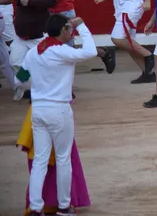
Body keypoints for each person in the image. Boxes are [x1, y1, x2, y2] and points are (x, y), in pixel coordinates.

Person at [15, 14, 97, 215]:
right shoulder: (62, 52)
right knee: (63, 159)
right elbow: (91, 50)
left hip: (38, 109)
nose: (72, 31)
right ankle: (63, 206)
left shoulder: (34, 52)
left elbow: (19, 80)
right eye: (69, 28)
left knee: (40, 161)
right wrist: (83, 25)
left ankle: (35, 208)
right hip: (59, 109)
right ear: (62, 31)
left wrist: (38, 86)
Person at [8, 0, 58, 100]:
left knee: (46, 65)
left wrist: (30, 2)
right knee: (15, 62)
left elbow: (52, 0)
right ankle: (33, 88)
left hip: (37, 35)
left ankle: (47, 90)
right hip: (22, 35)